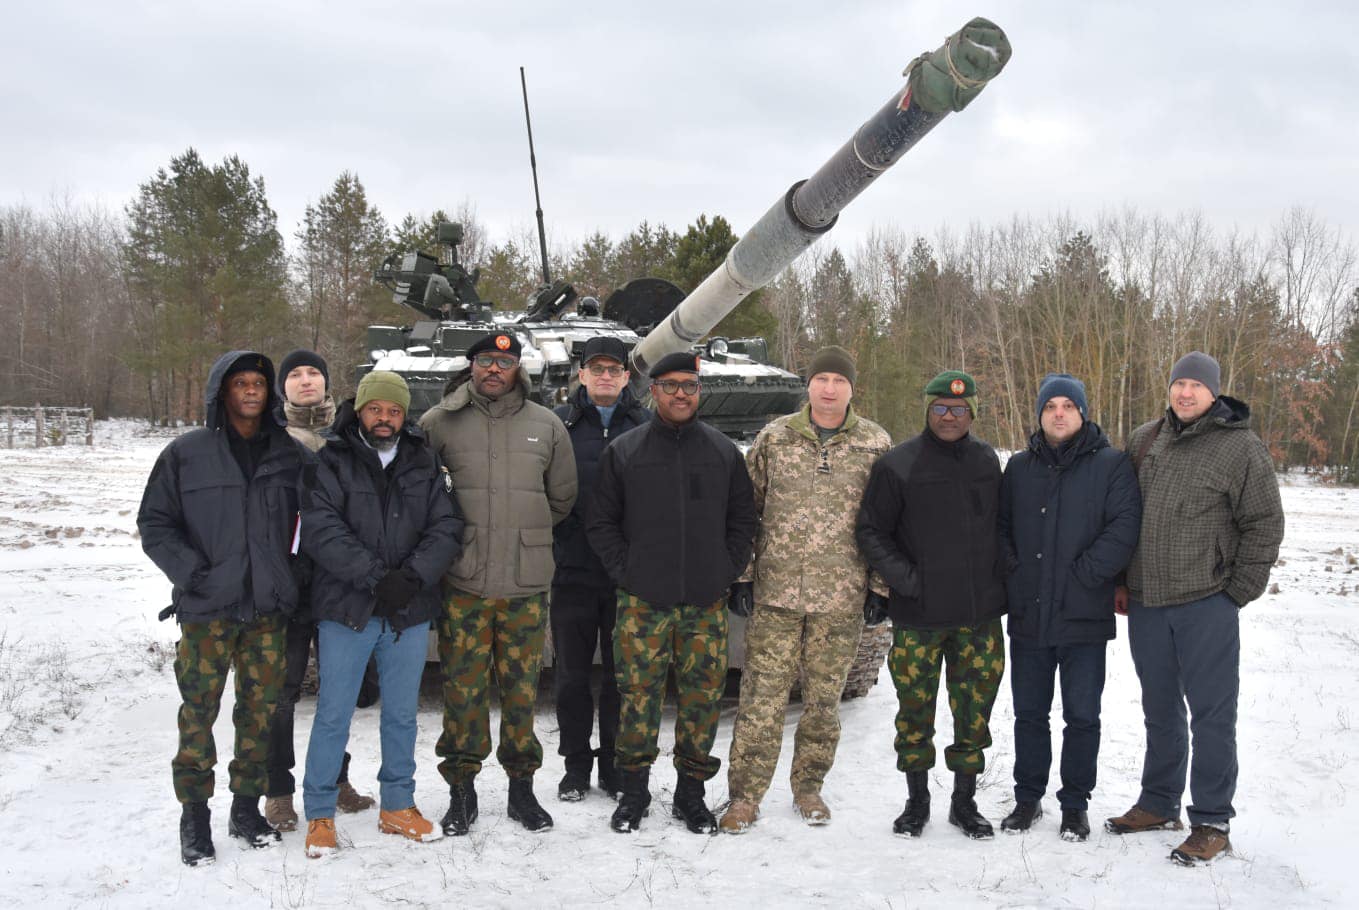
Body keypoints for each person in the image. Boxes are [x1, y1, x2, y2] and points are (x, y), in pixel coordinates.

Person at [1105, 351, 1284, 865]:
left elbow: (1265, 522)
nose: (1185, 393)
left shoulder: (1240, 447)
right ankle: (1159, 803)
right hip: (1147, 603)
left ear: (1213, 393)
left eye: (1196, 386)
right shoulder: (1144, 439)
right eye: (1178, 383)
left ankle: (1212, 821)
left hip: (1207, 602)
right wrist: (1122, 581)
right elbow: (1123, 517)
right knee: (1159, 709)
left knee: (1211, 715)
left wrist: (1238, 590)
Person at [137, 351, 304, 865]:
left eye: (259, 383)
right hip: (208, 610)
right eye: (240, 383)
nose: (251, 391)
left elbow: (316, 522)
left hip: (267, 611)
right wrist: (194, 574)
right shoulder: (187, 454)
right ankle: (195, 816)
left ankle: (246, 808)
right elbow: (156, 523)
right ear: (221, 391)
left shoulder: (291, 455)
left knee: (258, 714)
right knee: (199, 713)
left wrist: (291, 580)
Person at [719, 346, 891, 833]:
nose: (829, 388)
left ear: (852, 388)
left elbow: (886, 521)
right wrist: (744, 575)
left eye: (839, 380)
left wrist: (879, 587)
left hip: (841, 597)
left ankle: (809, 788)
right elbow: (745, 512)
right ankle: (745, 797)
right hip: (776, 597)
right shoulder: (775, 438)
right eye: (822, 379)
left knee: (822, 703)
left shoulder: (875, 444)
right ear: (808, 386)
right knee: (761, 700)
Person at [587, 351, 758, 835]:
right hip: (643, 601)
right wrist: (629, 571)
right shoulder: (625, 451)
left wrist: (723, 569)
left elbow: (742, 521)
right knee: (636, 696)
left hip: (704, 601)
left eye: (690, 385)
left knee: (702, 698)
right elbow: (601, 523)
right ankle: (634, 792)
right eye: (670, 385)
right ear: (653, 390)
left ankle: (691, 795)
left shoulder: (723, 452)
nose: (681, 393)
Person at [420, 330, 577, 836]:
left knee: (522, 691)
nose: (494, 370)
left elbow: (562, 500)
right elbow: (419, 495)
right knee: (462, 691)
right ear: (472, 366)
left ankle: (521, 791)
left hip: (525, 585)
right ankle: (461, 791)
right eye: (485, 360)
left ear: (517, 371)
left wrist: (521, 533)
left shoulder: (546, 424)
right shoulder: (438, 423)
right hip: (463, 581)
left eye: (504, 363)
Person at [299, 370, 462, 857]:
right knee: (333, 714)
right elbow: (321, 528)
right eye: (376, 410)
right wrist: (376, 578)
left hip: (407, 611)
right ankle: (320, 814)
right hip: (347, 608)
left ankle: (398, 804)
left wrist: (411, 578)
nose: (385, 419)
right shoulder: (332, 459)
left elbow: (447, 524)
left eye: (394, 411)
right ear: (361, 410)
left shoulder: (423, 461)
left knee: (402, 715)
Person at [856, 370, 1007, 840]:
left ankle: (965, 802)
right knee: (914, 713)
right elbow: (871, 531)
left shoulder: (987, 461)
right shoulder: (898, 464)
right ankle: (916, 801)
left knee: (973, 713)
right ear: (927, 410)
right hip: (918, 617)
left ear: (973, 414)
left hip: (976, 618)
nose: (948, 417)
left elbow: (1000, 529)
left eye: (959, 410)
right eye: (940, 408)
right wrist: (906, 580)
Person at [997, 373, 1141, 841]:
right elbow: (1000, 530)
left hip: (1083, 616)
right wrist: (1016, 574)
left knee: (1082, 717)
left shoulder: (1112, 465)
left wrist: (1084, 575)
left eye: (1068, 406)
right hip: (1029, 617)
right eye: (1050, 406)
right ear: (1039, 414)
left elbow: (1123, 527)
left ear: (1082, 413)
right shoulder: (1019, 468)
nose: (1059, 413)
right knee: (1029, 714)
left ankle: (1075, 804)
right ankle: (1027, 799)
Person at [264, 349, 376, 832]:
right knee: (281, 693)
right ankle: (279, 790)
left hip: (339, 583)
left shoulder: (348, 438)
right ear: (282, 387)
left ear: (327, 383)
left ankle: (334, 779)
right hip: (286, 585)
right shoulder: (270, 439)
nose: (306, 381)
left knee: (340, 691)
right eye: (295, 374)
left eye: (314, 373)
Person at [550, 337, 649, 802]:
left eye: (615, 369)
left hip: (625, 575)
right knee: (570, 675)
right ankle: (575, 765)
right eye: (597, 369)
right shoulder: (559, 427)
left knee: (619, 676)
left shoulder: (645, 425)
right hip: (571, 571)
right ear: (582, 375)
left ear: (627, 376)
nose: (606, 376)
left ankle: (612, 761)